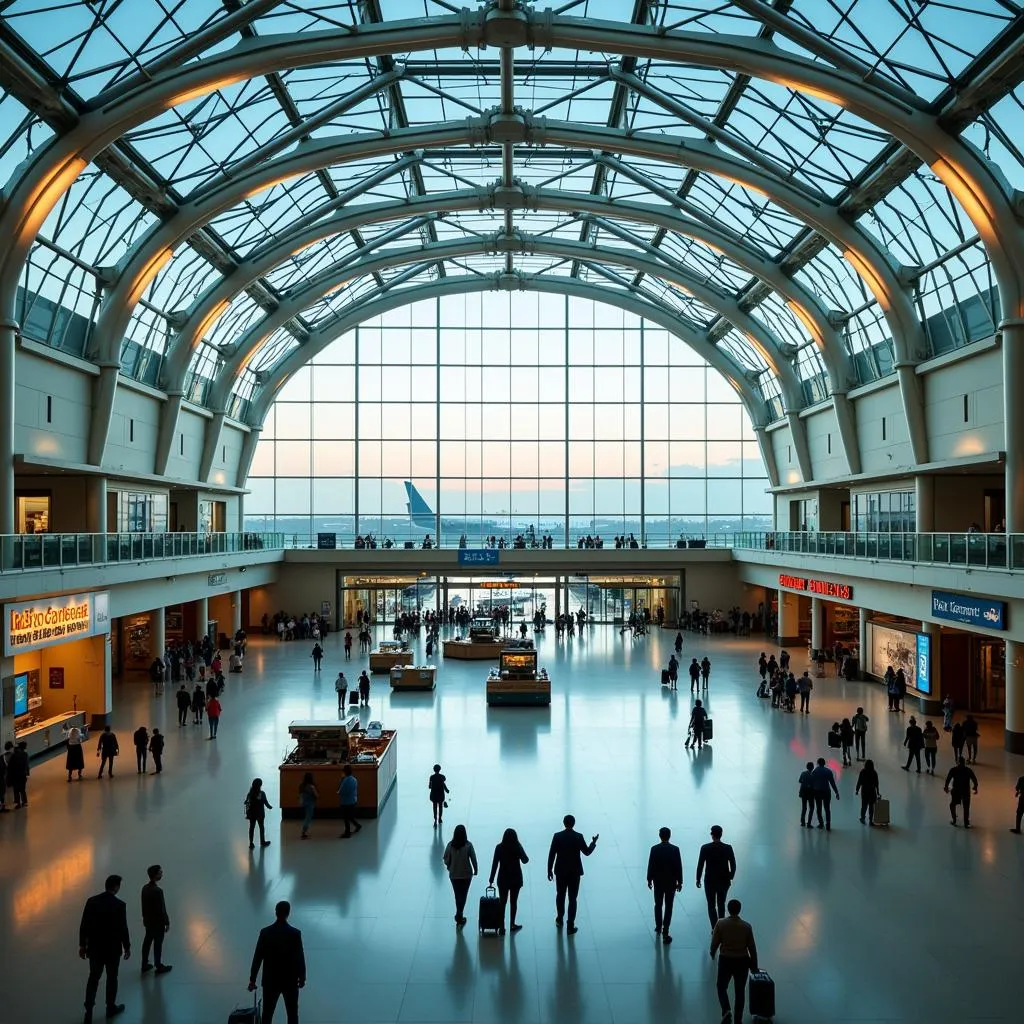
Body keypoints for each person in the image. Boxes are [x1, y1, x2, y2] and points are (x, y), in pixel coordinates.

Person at [79, 874, 130, 1023]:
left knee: (93, 978)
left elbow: (84, 925)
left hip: (94, 949)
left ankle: (88, 1011)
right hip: (113, 950)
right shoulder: (120, 905)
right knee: (112, 978)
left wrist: (82, 945)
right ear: (116, 887)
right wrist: (127, 946)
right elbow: (123, 929)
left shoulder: (91, 902)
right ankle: (110, 1007)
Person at [249, 901, 306, 1024]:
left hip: (270, 981)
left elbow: (257, 957)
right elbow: (300, 958)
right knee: (292, 1014)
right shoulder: (295, 934)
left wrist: (252, 979)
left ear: (275, 912)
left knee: (267, 1014)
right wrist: (302, 978)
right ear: (288, 913)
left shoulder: (265, 933)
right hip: (290, 981)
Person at [547, 814, 598, 934]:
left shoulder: (557, 836)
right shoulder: (578, 837)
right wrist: (593, 843)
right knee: (573, 898)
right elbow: (586, 852)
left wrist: (549, 869)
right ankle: (570, 925)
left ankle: (560, 918)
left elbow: (552, 854)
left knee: (560, 895)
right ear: (573, 823)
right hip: (575, 872)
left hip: (560, 871)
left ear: (564, 823)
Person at [709, 898, 758, 1024]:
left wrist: (712, 952)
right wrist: (754, 965)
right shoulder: (746, 927)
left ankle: (726, 1010)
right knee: (740, 991)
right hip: (742, 961)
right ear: (739, 910)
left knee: (721, 986)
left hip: (726, 960)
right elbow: (752, 947)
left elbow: (715, 942)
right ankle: (738, 1019)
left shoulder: (721, 924)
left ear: (728, 909)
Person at [488, 827, 529, 934]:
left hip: (503, 878)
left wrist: (491, 878)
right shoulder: (517, 847)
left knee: (502, 902)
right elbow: (525, 860)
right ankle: (512, 924)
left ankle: (501, 927)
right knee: (513, 902)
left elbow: (495, 864)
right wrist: (519, 847)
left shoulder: (499, 847)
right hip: (516, 878)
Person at [646, 826, 683, 944]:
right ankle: (666, 929)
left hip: (658, 881)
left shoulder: (654, 849)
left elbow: (651, 864)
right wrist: (680, 881)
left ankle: (658, 926)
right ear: (669, 836)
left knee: (658, 904)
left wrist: (649, 879)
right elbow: (678, 866)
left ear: (660, 836)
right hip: (671, 882)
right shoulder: (675, 849)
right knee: (669, 906)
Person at [695, 824, 736, 928]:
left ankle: (715, 927)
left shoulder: (705, 848)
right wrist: (730, 876)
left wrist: (698, 879)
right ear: (721, 834)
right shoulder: (727, 848)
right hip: (724, 880)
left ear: (712, 835)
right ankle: (722, 925)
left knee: (711, 905)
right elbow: (733, 864)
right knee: (721, 903)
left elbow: (700, 865)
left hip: (710, 881)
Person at [443, 824, 478, 928]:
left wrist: (450, 866)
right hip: (466, 875)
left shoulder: (450, 845)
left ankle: (459, 915)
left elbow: (445, 859)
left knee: (457, 895)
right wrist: (475, 869)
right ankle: (459, 914)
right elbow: (473, 858)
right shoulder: (468, 845)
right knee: (463, 895)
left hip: (454, 874)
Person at [140, 865, 172, 975]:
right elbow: (162, 909)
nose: (162, 873)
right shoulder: (158, 891)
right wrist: (166, 922)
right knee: (157, 944)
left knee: (147, 942)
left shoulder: (145, 888)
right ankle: (158, 965)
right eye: (160, 872)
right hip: (158, 923)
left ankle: (144, 964)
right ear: (155, 875)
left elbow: (143, 906)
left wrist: (145, 919)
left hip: (148, 922)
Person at [945, 756, 979, 828]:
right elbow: (974, 779)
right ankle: (966, 823)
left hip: (956, 790)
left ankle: (954, 820)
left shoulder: (953, 770)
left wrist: (946, 787)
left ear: (957, 762)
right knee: (966, 807)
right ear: (964, 763)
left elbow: (948, 779)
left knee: (952, 804)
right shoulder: (968, 770)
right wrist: (975, 787)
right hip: (965, 790)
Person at [810, 757, 840, 830]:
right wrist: (836, 792)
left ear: (817, 763)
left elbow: (812, 783)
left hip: (817, 792)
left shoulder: (814, 771)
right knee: (827, 808)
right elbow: (832, 783)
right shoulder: (828, 771)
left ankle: (821, 823)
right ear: (824, 763)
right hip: (826, 791)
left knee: (819, 808)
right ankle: (828, 824)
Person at [245, 778, 272, 849]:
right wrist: (269, 807)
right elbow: (265, 802)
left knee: (251, 828)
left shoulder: (250, 794)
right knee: (261, 827)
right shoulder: (262, 793)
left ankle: (251, 843)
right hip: (260, 814)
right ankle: (262, 842)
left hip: (252, 814)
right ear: (260, 785)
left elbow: (247, 802)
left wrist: (247, 813)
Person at [338, 764, 362, 839]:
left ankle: (347, 833)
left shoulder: (345, 781)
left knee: (346, 817)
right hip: (353, 800)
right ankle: (357, 825)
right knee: (350, 816)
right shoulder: (354, 779)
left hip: (346, 802)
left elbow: (341, 791)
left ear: (344, 772)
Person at [856, 759, 881, 825]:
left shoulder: (863, 772)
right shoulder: (874, 772)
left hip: (864, 791)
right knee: (871, 807)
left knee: (864, 806)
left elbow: (859, 781)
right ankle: (870, 820)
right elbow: (876, 783)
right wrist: (878, 792)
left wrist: (857, 790)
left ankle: (862, 818)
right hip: (872, 792)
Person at [8, 740, 29, 808]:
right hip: (23, 775)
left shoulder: (14, 756)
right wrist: (27, 773)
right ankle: (24, 802)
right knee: (23, 789)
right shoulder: (25, 755)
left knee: (16, 790)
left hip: (16, 775)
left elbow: (10, 767)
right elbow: (26, 765)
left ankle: (18, 803)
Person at [298, 773, 318, 840]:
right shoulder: (312, 786)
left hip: (304, 803)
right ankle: (303, 832)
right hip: (310, 803)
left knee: (307, 816)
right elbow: (316, 795)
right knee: (308, 817)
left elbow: (300, 795)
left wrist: (301, 802)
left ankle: (304, 832)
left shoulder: (301, 785)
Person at [798, 761, 815, 827]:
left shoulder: (803, 773)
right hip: (811, 793)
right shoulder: (813, 775)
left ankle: (802, 822)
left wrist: (804, 782)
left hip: (803, 792)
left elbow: (800, 781)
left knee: (804, 807)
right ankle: (809, 823)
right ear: (812, 767)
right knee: (811, 808)